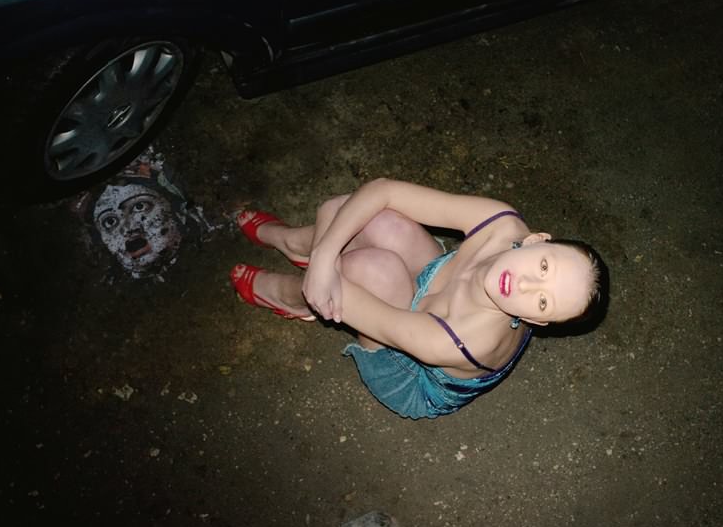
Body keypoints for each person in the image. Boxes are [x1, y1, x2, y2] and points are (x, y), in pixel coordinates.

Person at [230, 179, 607, 419]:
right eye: (544, 266)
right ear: (536, 240)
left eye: (542, 303)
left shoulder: (462, 342)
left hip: (413, 371)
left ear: (538, 322)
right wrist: (324, 253)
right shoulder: (502, 223)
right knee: (373, 220)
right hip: (437, 287)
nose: (524, 285)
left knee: (368, 269)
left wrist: (325, 268)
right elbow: (384, 191)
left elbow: (345, 296)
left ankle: (290, 297)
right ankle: (295, 243)